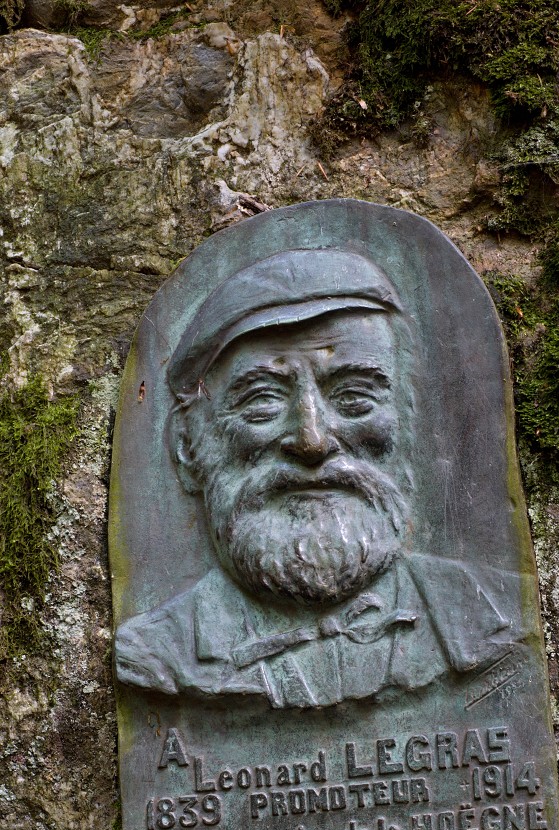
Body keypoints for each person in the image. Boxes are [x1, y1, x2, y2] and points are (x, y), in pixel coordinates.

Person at [114, 248, 520, 707]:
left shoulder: (495, 615)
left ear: (410, 426)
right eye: (262, 402)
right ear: (187, 445)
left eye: (354, 398)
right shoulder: (154, 655)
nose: (312, 441)